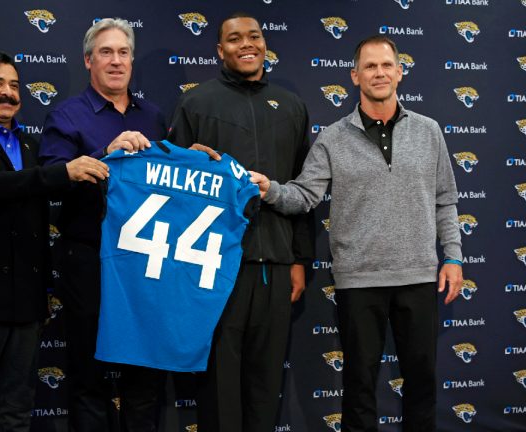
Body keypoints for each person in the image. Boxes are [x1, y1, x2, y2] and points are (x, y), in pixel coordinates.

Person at [252, 35, 464, 432]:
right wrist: (270, 190)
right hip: (359, 281)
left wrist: (452, 257)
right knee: (359, 386)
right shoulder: (333, 137)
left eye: (387, 65)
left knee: (421, 385)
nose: (379, 72)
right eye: (370, 66)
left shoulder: (429, 131)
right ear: (354, 76)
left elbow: (445, 200)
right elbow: (305, 194)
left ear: (400, 72)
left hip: (418, 276)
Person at [0, 51, 109, 432]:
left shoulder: (30, 146)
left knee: (17, 413)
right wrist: (65, 171)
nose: (8, 93)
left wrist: (43, 292)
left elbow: (38, 216)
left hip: (26, 302)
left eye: (14, 85)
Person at [167, 12, 313, 432]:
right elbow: (177, 194)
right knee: (219, 382)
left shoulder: (291, 105)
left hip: (278, 265)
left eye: (254, 36)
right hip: (216, 267)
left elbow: (305, 191)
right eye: (235, 39)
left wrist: (300, 259)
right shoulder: (197, 102)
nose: (246, 44)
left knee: (267, 382)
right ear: (220, 50)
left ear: (265, 44)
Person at [38, 18, 168, 432]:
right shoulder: (66, 115)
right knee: (87, 373)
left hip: (143, 262)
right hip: (89, 258)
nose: (116, 61)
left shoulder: (154, 115)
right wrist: (104, 153)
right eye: (106, 53)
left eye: (123, 52)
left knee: (144, 374)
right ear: (88, 61)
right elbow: (51, 175)